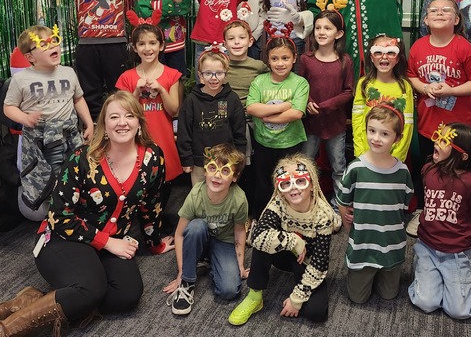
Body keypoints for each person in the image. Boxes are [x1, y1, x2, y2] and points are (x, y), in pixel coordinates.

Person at [0, 91, 170, 337]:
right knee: (91, 289)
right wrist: (108, 242)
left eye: (129, 116)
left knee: (128, 294)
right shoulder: (82, 159)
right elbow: (60, 218)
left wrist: (154, 243)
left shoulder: (153, 158)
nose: (122, 122)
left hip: (109, 244)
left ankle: (34, 301)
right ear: (104, 125)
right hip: (63, 238)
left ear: (139, 123)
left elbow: (151, 203)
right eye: (114, 117)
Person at [407, 0, 471, 234]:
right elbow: (412, 76)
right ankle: (424, 208)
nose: (439, 13)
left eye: (446, 10)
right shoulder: (418, 46)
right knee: (428, 168)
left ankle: (458, 213)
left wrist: (452, 90)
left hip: (457, 127)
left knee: (457, 171)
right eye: (434, 10)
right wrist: (425, 88)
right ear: (426, 20)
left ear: (456, 19)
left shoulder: (465, 48)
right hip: (427, 124)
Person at [228, 154, 338, 326]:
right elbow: (256, 236)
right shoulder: (278, 204)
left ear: (312, 185)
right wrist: (293, 240)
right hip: (283, 255)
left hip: (308, 262)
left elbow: (320, 262)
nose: (293, 189)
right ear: (279, 189)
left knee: (315, 313)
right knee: (262, 242)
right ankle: (255, 296)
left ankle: (300, 287)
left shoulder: (322, 215)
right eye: (286, 183)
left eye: (300, 181)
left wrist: (297, 299)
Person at [3, 24, 94, 220]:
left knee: (76, 171)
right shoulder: (21, 79)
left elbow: (78, 99)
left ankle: (76, 209)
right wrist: (24, 118)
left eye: (54, 41)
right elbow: (8, 107)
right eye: (43, 44)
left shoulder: (69, 72)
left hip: (68, 135)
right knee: (49, 177)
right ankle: (54, 216)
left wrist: (89, 123)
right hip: (41, 140)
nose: (52, 46)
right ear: (30, 57)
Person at [408, 123, 471, 319]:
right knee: (425, 303)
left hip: (456, 252)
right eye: (437, 135)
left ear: (463, 156)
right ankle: (427, 271)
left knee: (461, 312)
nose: (436, 141)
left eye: (444, 140)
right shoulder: (428, 170)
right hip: (427, 247)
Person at [337, 105, 413, 304]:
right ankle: (368, 271)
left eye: (384, 133)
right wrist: (349, 228)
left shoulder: (403, 171)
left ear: (397, 138)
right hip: (363, 243)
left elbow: (403, 207)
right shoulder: (355, 168)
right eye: (372, 130)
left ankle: (383, 271)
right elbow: (343, 201)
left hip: (391, 245)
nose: (376, 138)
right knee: (358, 298)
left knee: (390, 295)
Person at [163, 144, 249, 316]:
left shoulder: (239, 198)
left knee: (229, 291)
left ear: (234, 177)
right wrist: (182, 273)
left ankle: (208, 261)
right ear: (205, 171)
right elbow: (179, 234)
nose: (217, 175)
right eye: (212, 168)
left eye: (225, 171)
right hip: (199, 235)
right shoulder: (196, 194)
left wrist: (240, 264)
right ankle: (187, 283)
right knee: (195, 227)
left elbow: (239, 231)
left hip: (223, 241)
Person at [62, 0, 132, 120]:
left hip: (114, 43)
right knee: (89, 89)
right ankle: (93, 125)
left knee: (117, 88)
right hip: (87, 44)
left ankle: (119, 121)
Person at [246, 38, 310, 220]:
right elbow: (252, 108)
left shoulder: (300, 83)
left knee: (291, 183)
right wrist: (282, 107)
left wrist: (265, 113)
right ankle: (262, 220)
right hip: (264, 143)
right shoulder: (260, 81)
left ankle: (290, 220)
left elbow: (297, 113)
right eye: (274, 59)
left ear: (294, 58)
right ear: (267, 59)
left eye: (285, 58)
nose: (280, 63)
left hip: (291, 143)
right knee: (264, 185)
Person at [116, 18, 182, 185]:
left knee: (164, 185)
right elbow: (122, 112)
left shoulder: (172, 75)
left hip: (162, 139)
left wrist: (161, 89)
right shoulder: (126, 77)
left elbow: (174, 110)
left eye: (152, 43)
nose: (147, 48)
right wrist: (136, 92)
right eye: (141, 44)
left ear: (161, 46)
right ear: (135, 48)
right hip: (135, 142)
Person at [298, 9, 354, 206]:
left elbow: (348, 91)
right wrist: (307, 101)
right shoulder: (306, 59)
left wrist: (327, 105)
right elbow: (299, 85)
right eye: (318, 28)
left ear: (338, 34)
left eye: (327, 28)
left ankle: (339, 205)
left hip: (335, 123)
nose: (321, 32)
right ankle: (304, 202)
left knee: (338, 166)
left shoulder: (345, 61)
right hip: (310, 123)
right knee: (305, 164)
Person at [177, 45, 247, 186]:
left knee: (224, 196)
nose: (213, 78)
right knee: (199, 195)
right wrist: (186, 159)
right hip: (199, 163)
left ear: (226, 74)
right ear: (200, 75)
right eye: (208, 73)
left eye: (219, 73)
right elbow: (184, 132)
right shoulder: (191, 100)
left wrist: (239, 159)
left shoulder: (232, 99)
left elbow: (239, 131)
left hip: (227, 162)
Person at [223, 20, 268, 204]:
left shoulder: (258, 66)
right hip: (225, 123)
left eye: (242, 38)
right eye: (231, 39)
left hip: (252, 122)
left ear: (250, 41)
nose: (236, 42)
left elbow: (269, 85)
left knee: (251, 168)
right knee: (228, 165)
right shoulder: (221, 64)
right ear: (224, 43)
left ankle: (250, 208)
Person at [351, 34, 414, 162]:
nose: (384, 57)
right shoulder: (364, 84)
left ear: (397, 59)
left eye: (390, 53)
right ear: (371, 57)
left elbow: (407, 124)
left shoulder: (404, 87)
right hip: (366, 150)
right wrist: (361, 151)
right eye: (378, 52)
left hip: (392, 155)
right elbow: (357, 120)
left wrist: (397, 157)